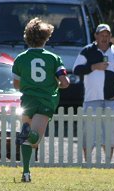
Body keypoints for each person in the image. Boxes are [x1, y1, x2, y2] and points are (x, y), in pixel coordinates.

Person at [12, 18, 70, 182]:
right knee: (35, 139)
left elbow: (16, 85)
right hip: (45, 101)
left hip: (27, 100)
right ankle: (27, 135)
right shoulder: (53, 58)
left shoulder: (20, 58)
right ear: (46, 37)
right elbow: (65, 83)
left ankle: (26, 172)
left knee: (26, 140)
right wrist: (54, 85)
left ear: (27, 37)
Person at [73, 23, 114, 161]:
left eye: (107, 35)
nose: (104, 37)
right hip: (91, 98)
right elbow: (76, 70)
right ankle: (87, 162)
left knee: (110, 132)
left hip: (111, 99)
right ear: (96, 36)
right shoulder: (87, 51)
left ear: (110, 36)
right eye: (101, 35)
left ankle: (108, 162)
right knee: (89, 131)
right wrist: (93, 67)